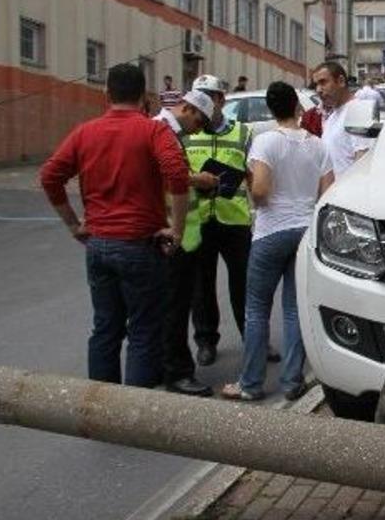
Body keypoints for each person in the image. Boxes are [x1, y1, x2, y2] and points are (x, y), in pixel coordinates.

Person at [38, 63, 189, 388]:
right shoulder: (153, 130)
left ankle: (102, 407)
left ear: (106, 93)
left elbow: (50, 176)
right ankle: (132, 413)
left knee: (105, 327)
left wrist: (74, 224)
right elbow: (177, 174)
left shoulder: (84, 132)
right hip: (140, 245)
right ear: (144, 97)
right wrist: (177, 228)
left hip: (99, 245)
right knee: (144, 329)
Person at [222, 81, 334, 402]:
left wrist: (253, 192)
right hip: (304, 231)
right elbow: (328, 190)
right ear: (297, 107)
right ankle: (291, 382)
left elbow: (260, 191)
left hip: (271, 231)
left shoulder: (265, 142)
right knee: (293, 309)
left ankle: (251, 384)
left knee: (256, 309)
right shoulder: (317, 145)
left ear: (270, 109)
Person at [183, 74, 253, 367]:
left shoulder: (243, 133)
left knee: (244, 285)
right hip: (199, 219)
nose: (201, 104)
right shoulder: (186, 134)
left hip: (235, 220)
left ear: (221, 100)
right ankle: (206, 341)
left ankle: (253, 338)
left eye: (208, 97)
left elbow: (254, 175)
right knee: (202, 285)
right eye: (196, 98)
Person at [153, 89, 219, 396]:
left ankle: (162, 366)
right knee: (174, 308)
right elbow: (167, 176)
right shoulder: (162, 130)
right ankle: (178, 373)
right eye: (200, 122)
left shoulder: (168, 131)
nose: (199, 130)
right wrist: (198, 180)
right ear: (189, 110)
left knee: (171, 306)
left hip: (180, 237)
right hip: (171, 237)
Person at [311, 61, 372, 176]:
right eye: (316, 85)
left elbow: (363, 162)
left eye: (323, 82)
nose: (318, 89)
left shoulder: (359, 110)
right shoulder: (332, 117)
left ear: (341, 81)